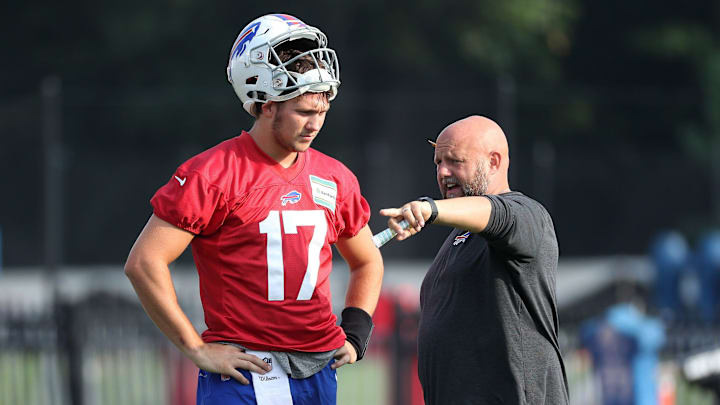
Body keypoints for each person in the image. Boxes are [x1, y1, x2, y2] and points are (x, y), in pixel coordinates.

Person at [124, 13, 384, 405]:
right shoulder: (213, 173)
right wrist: (195, 348)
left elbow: (366, 261)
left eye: (322, 111)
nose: (315, 124)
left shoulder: (334, 177)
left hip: (317, 370)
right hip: (246, 371)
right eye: (303, 112)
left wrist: (355, 333)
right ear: (264, 104)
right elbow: (144, 263)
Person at [380, 115, 568, 404]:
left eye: (455, 161)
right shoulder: (460, 237)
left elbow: (497, 215)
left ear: (493, 161)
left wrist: (431, 209)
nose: (443, 172)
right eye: (438, 162)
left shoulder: (528, 214)